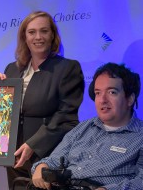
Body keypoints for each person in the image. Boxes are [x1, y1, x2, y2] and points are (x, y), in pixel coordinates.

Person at [4, 11, 84, 189]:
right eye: (31, 32)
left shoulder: (68, 68)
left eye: (44, 31)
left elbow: (66, 117)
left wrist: (33, 144)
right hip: (13, 158)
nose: (38, 37)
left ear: (53, 35)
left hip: (47, 158)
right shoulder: (12, 69)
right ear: (24, 37)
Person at [32, 62, 143, 190]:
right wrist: (41, 167)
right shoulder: (83, 127)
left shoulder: (139, 136)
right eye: (98, 93)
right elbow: (54, 160)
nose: (102, 100)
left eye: (112, 92)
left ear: (130, 99)